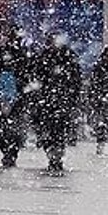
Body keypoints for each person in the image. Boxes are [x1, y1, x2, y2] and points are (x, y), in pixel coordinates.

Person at [30, 33, 82, 172]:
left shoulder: (56, 57)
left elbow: (75, 81)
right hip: (53, 101)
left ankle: (55, 155)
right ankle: (54, 154)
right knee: (53, 131)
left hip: (55, 101)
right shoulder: (53, 57)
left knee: (54, 131)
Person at [0, 26, 31, 169]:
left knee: (4, 127)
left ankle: (9, 152)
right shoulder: (21, 54)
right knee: (11, 128)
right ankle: (10, 153)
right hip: (13, 98)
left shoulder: (2, 52)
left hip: (5, 98)